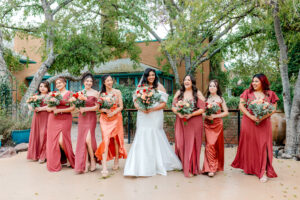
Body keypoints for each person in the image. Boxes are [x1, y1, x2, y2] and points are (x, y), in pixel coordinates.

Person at [124, 68, 182, 177]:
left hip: (155, 115)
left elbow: (163, 104)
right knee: (142, 135)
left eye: (153, 75)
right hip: (143, 115)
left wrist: (152, 109)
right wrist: (142, 109)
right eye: (149, 75)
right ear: (145, 76)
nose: (151, 77)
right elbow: (136, 102)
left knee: (155, 134)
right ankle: (140, 165)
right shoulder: (140, 87)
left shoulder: (160, 87)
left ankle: (159, 163)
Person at [231, 73, 279, 182]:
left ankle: (262, 171)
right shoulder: (247, 92)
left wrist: (262, 117)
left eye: (256, 81)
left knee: (263, 146)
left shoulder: (270, 94)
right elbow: (241, 106)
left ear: (263, 81)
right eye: (253, 81)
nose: (254, 83)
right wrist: (251, 116)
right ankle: (250, 168)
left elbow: (273, 108)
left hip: (264, 123)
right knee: (250, 145)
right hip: (248, 122)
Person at [172, 75, 205, 177]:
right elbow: (173, 106)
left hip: (194, 121)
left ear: (192, 82)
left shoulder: (197, 93)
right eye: (185, 79)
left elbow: (202, 108)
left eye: (189, 80)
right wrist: (179, 113)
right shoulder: (179, 92)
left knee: (191, 145)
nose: (186, 81)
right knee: (180, 144)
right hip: (181, 121)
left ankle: (190, 168)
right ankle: (183, 164)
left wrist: (191, 114)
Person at [95, 75, 127, 177]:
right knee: (106, 140)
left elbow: (121, 106)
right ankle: (104, 167)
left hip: (116, 117)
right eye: (107, 80)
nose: (109, 82)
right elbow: (98, 108)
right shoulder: (100, 93)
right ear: (104, 82)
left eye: (110, 80)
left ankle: (116, 160)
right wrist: (104, 110)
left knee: (115, 139)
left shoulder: (117, 92)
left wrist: (113, 113)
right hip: (104, 119)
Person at [46, 77, 75, 172]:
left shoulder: (70, 94)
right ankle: (55, 162)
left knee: (63, 141)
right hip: (53, 119)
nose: (58, 85)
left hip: (65, 118)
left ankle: (71, 159)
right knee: (54, 141)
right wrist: (51, 108)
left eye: (60, 83)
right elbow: (48, 107)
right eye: (56, 83)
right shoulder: (53, 94)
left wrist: (60, 110)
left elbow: (73, 108)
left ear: (65, 83)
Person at [202, 80, 228, 177]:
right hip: (208, 124)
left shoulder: (221, 99)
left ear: (217, 88)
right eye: (210, 86)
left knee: (214, 144)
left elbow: (226, 112)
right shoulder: (206, 99)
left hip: (217, 124)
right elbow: (202, 111)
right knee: (209, 144)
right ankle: (210, 168)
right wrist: (206, 115)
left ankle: (214, 166)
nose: (212, 87)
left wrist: (215, 116)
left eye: (214, 86)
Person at [75, 72, 99, 173]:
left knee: (89, 140)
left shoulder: (96, 93)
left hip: (91, 117)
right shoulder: (80, 93)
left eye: (90, 81)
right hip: (82, 118)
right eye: (87, 81)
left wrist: (86, 109)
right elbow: (76, 107)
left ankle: (93, 161)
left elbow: (97, 107)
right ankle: (86, 162)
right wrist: (79, 108)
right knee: (83, 140)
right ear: (83, 82)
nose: (89, 83)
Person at [27, 81, 50, 163]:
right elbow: (29, 103)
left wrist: (41, 108)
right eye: (41, 86)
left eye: (44, 86)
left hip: (46, 117)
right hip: (37, 118)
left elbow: (51, 105)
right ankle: (36, 154)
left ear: (48, 88)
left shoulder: (50, 96)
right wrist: (32, 108)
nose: (42, 88)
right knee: (36, 135)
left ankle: (44, 155)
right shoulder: (35, 96)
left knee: (44, 135)